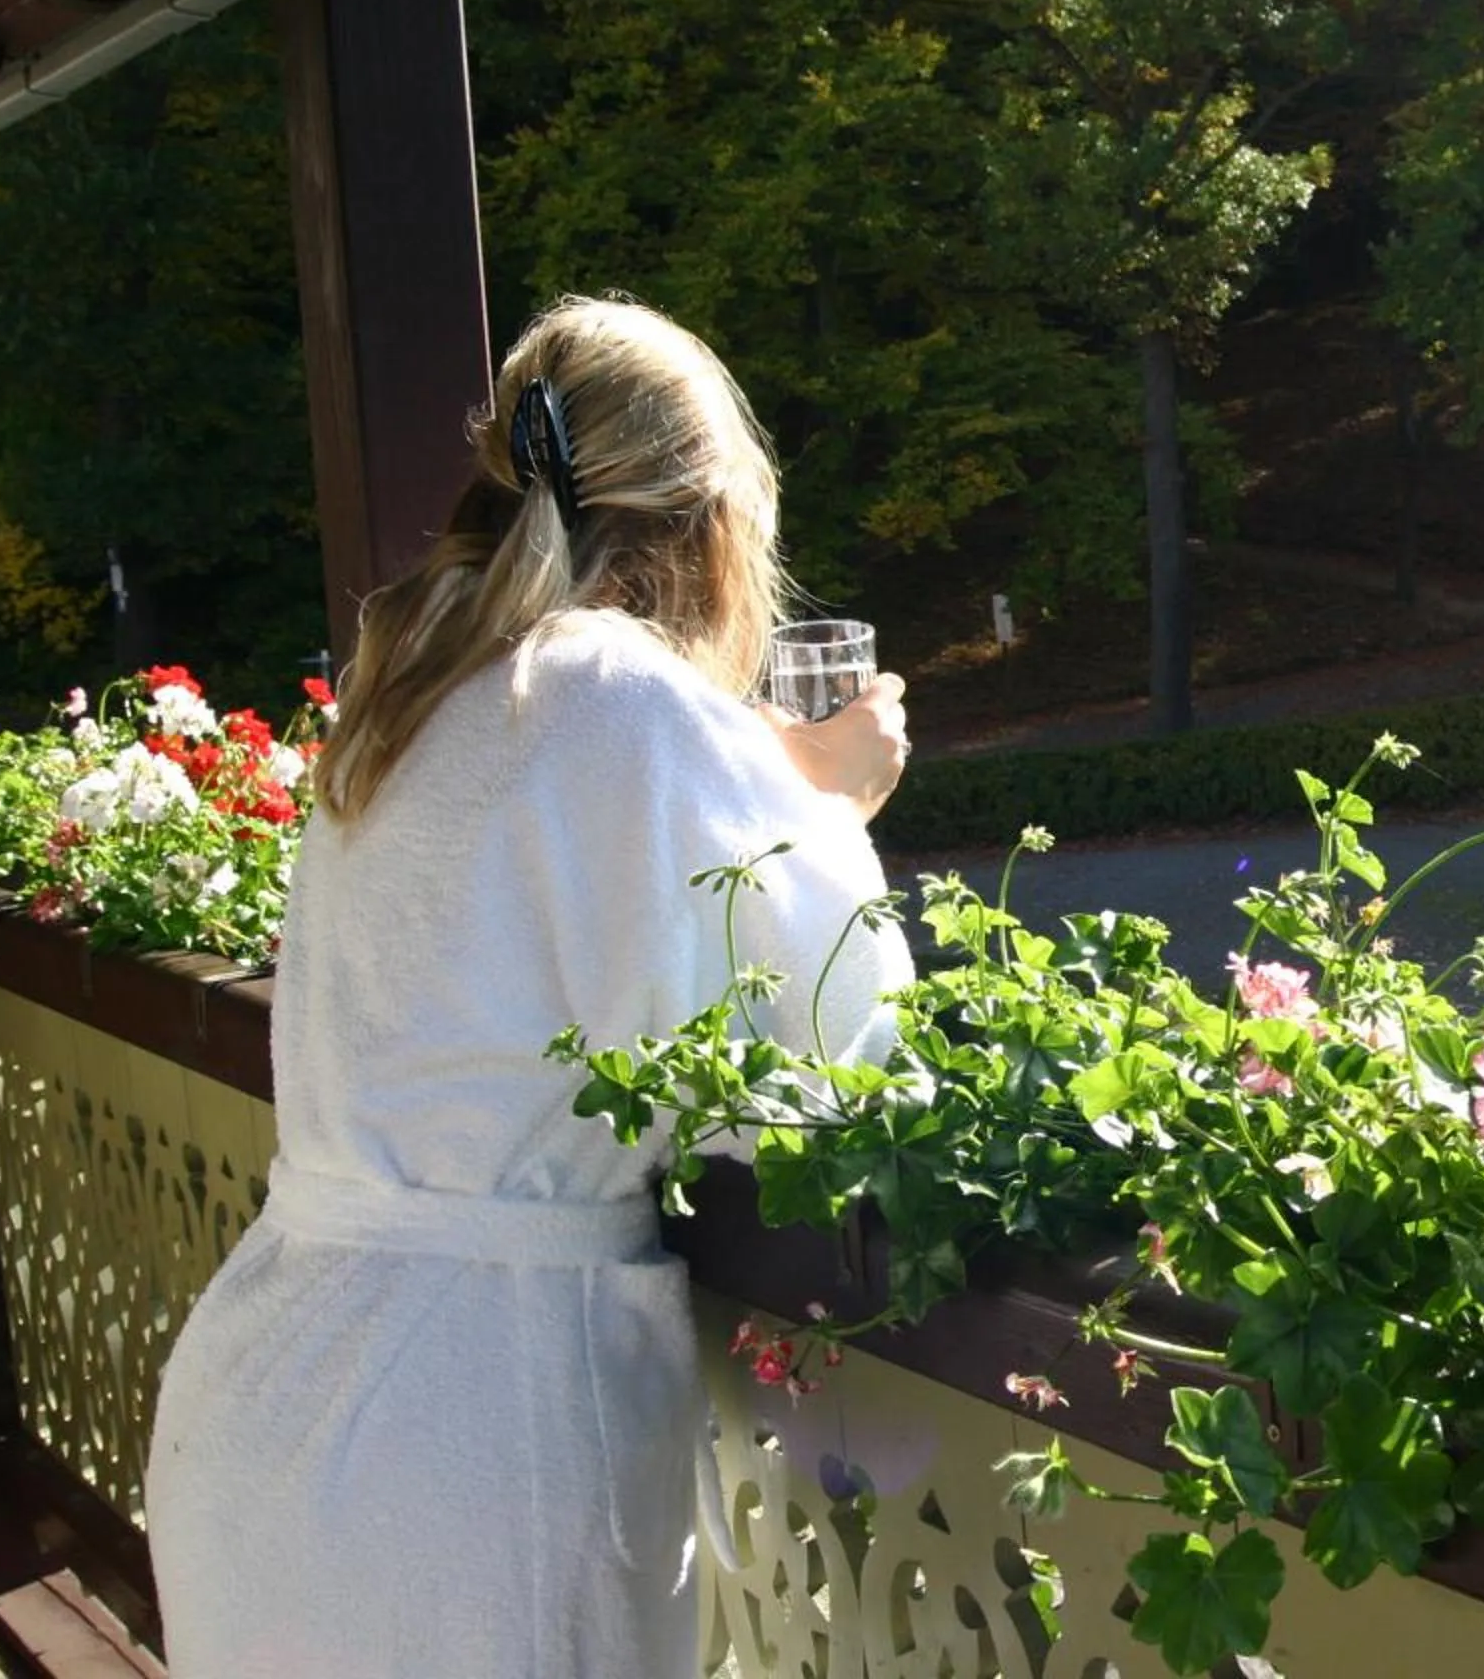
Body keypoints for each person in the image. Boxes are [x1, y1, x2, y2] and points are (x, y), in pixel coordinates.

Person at [145, 295, 911, 1676]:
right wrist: (837, 812)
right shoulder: (625, 703)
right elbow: (824, 1068)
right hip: (467, 1446)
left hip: (268, 1394)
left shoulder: (408, 693)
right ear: (715, 523)